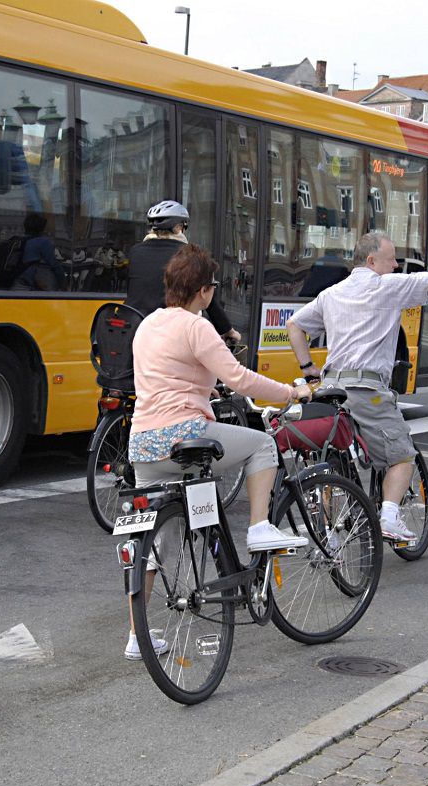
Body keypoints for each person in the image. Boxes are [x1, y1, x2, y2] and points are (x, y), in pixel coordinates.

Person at [125, 245, 312, 660]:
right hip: (185, 438)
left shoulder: (148, 325)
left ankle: (137, 636)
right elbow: (240, 378)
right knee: (262, 444)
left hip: (142, 444)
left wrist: (203, 387)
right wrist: (289, 391)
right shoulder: (198, 326)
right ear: (204, 292)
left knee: (152, 540)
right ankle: (260, 527)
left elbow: (166, 375)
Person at [286, 227, 428, 542]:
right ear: (371, 261)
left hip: (331, 389)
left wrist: (309, 369)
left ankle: (329, 531)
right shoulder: (386, 287)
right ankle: (389, 516)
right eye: (391, 259)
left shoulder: (330, 294)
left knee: (334, 458)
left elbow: (294, 326)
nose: (396, 265)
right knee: (401, 454)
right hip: (366, 390)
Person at [125, 200, 240, 342]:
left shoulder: (135, 251)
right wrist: (228, 330)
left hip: (133, 330)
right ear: (179, 227)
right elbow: (207, 298)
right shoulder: (188, 255)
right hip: (168, 334)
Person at [12, 212, 65, 290]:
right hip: (29, 288)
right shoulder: (43, 242)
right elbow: (55, 265)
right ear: (41, 229)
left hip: (15, 285)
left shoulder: (17, 241)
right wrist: (64, 284)